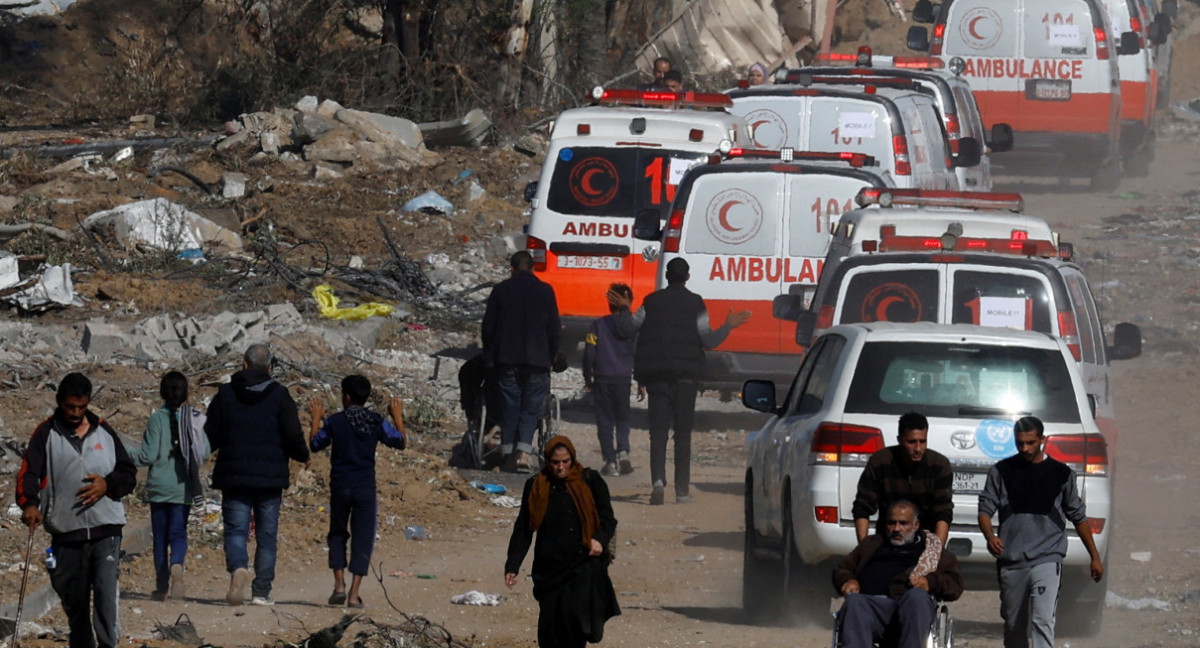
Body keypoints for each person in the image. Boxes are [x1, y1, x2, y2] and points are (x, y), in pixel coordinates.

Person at [608, 257, 751, 505]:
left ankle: (658, 483)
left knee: (658, 432)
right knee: (682, 434)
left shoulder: (651, 302)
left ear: (666, 275)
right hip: (687, 378)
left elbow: (629, 329)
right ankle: (682, 491)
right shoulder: (695, 303)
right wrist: (728, 326)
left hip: (656, 377)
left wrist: (624, 308)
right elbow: (708, 341)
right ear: (687, 277)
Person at [15, 372, 137, 648]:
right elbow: (28, 475)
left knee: (106, 597)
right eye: (70, 407)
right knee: (75, 602)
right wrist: (30, 504)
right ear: (59, 402)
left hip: (106, 530)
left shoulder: (104, 432)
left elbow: (128, 473)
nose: (75, 413)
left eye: (81, 407)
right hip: (66, 533)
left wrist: (107, 485)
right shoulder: (45, 434)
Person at [978, 416, 1104, 648]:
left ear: (1042, 440)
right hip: (1012, 560)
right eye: (1020, 443)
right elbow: (985, 509)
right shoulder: (1002, 471)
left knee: (1042, 620)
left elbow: (1078, 515)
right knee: (1013, 625)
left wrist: (1094, 557)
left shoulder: (1061, 474)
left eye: (1030, 442)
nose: (1025, 448)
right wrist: (990, 536)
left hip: (1047, 557)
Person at [205, 343, 310, 606]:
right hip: (270, 477)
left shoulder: (226, 394)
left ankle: (239, 568)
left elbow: (210, 435)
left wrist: (201, 452)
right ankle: (261, 592)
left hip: (234, 474)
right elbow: (292, 433)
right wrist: (302, 454)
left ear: (244, 364)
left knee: (236, 531)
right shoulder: (280, 395)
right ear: (271, 367)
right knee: (266, 535)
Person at [505, 435, 620, 648]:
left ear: (572, 459)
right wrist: (513, 565)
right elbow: (524, 528)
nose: (560, 467)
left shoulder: (590, 480)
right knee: (550, 631)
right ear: (547, 461)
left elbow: (608, 519)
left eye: (565, 461)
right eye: (555, 462)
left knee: (575, 626)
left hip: (582, 565)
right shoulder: (536, 486)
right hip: (549, 570)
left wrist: (599, 540)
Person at [309, 374, 406, 609]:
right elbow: (400, 441)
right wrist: (397, 416)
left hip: (340, 485)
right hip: (365, 487)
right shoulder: (376, 421)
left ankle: (339, 584)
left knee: (338, 534)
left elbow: (314, 443)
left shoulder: (335, 421)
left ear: (346, 396)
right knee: (363, 538)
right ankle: (354, 593)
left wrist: (315, 419)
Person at [832, 500, 964, 648]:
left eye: (903, 523)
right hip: (871, 607)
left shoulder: (932, 550)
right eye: (891, 523)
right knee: (854, 602)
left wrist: (930, 582)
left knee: (917, 597)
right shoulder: (871, 544)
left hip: (909, 607)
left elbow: (955, 583)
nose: (896, 528)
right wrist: (848, 580)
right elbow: (842, 568)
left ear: (916, 525)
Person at [482, 250, 562, 473]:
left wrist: (489, 356)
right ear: (534, 268)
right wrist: (554, 354)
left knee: (510, 406)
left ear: (512, 268)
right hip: (537, 360)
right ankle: (524, 455)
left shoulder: (501, 291)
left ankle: (508, 452)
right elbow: (554, 327)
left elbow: (488, 328)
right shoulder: (545, 291)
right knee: (531, 409)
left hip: (507, 360)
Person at [132, 371, 210, 601]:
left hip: (158, 488)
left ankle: (161, 586)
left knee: (160, 538)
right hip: (183, 487)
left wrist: (121, 452)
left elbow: (147, 456)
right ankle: (177, 562)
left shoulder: (156, 420)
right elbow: (204, 451)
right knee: (178, 532)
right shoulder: (194, 417)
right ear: (186, 393)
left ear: (162, 393)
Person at [852, 411, 953, 546]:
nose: (918, 448)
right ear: (900, 440)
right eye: (911, 442)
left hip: (924, 541)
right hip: (887, 540)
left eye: (922, 442)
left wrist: (936, 552)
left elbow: (943, 513)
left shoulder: (939, 465)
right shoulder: (880, 462)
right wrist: (863, 547)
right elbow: (863, 507)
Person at [583, 283, 643, 477]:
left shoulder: (597, 326)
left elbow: (589, 353)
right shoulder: (633, 329)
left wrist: (588, 378)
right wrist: (641, 381)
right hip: (623, 380)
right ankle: (624, 451)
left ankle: (610, 461)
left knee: (605, 420)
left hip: (602, 379)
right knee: (623, 418)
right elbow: (638, 355)